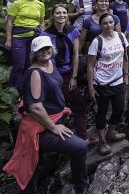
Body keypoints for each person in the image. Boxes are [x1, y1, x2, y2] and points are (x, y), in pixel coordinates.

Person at [3, 36, 88, 193]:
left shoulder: (51, 64)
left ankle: (43, 183)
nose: (45, 51)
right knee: (80, 147)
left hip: (54, 117)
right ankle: (82, 187)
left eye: (47, 48)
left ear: (52, 48)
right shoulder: (35, 73)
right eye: (40, 49)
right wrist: (54, 127)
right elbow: (35, 107)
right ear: (34, 53)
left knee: (40, 162)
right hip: (41, 126)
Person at [40, 4, 93, 145]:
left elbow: (76, 54)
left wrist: (74, 77)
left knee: (78, 103)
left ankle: (82, 137)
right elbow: (43, 58)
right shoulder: (45, 35)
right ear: (53, 15)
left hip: (68, 72)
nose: (62, 15)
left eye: (64, 12)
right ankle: (57, 139)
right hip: (51, 75)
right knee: (56, 106)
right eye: (58, 13)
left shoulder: (72, 31)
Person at [87, 13, 128, 155]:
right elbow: (90, 66)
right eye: (105, 23)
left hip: (118, 80)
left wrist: (126, 75)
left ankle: (111, 132)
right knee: (102, 113)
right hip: (102, 83)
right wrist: (91, 87)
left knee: (119, 109)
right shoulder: (97, 42)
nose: (109, 25)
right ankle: (102, 141)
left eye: (111, 22)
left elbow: (125, 58)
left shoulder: (121, 36)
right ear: (101, 25)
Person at [5, 0, 45, 89]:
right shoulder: (17, 3)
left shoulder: (40, 5)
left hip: (34, 37)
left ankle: (26, 89)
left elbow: (41, 22)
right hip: (19, 37)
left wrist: (43, 37)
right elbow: (9, 21)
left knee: (30, 64)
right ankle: (12, 91)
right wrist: (9, 39)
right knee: (19, 65)